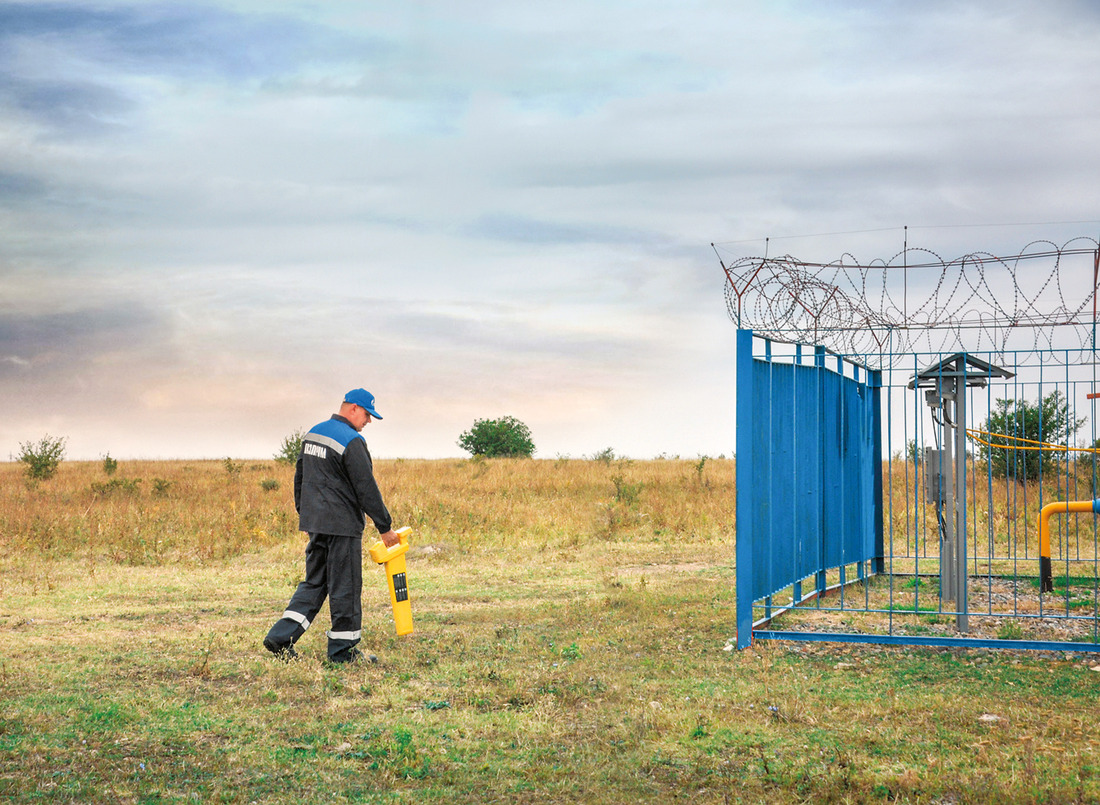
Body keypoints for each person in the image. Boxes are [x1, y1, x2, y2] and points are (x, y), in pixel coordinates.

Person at [264, 388, 400, 663]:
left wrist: (306, 515)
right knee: (345, 588)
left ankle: (280, 639)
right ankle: (342, 653)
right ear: (352, 409)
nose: (368, 422)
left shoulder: (314, 433)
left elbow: (300, 477)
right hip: (343, 527)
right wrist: (385, 527)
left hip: (317, 524)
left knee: (314, 583)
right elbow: (366, 489)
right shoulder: (352, 440)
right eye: (366, 414)